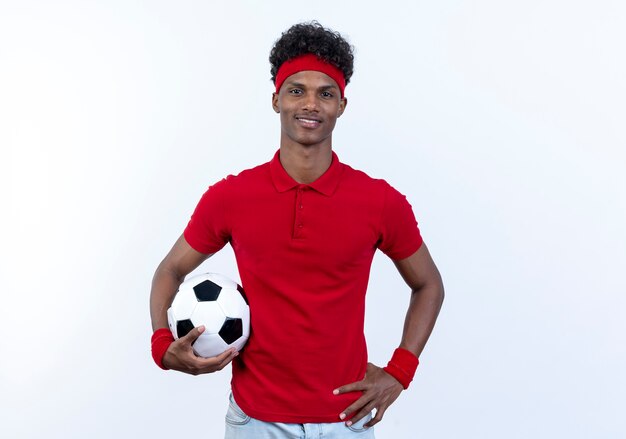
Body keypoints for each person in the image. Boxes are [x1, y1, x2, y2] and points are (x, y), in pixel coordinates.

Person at [150, 21, 444, 438]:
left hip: (347, 421)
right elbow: (169, 270)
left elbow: (429, 284)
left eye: (325, 93)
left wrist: (399, 372)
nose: (310, 104)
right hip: (256, 420)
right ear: (276, 100)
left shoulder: (380, 201)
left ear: (342, 104)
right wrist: (163, 346)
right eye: (296, 90)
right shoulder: (232, 196)